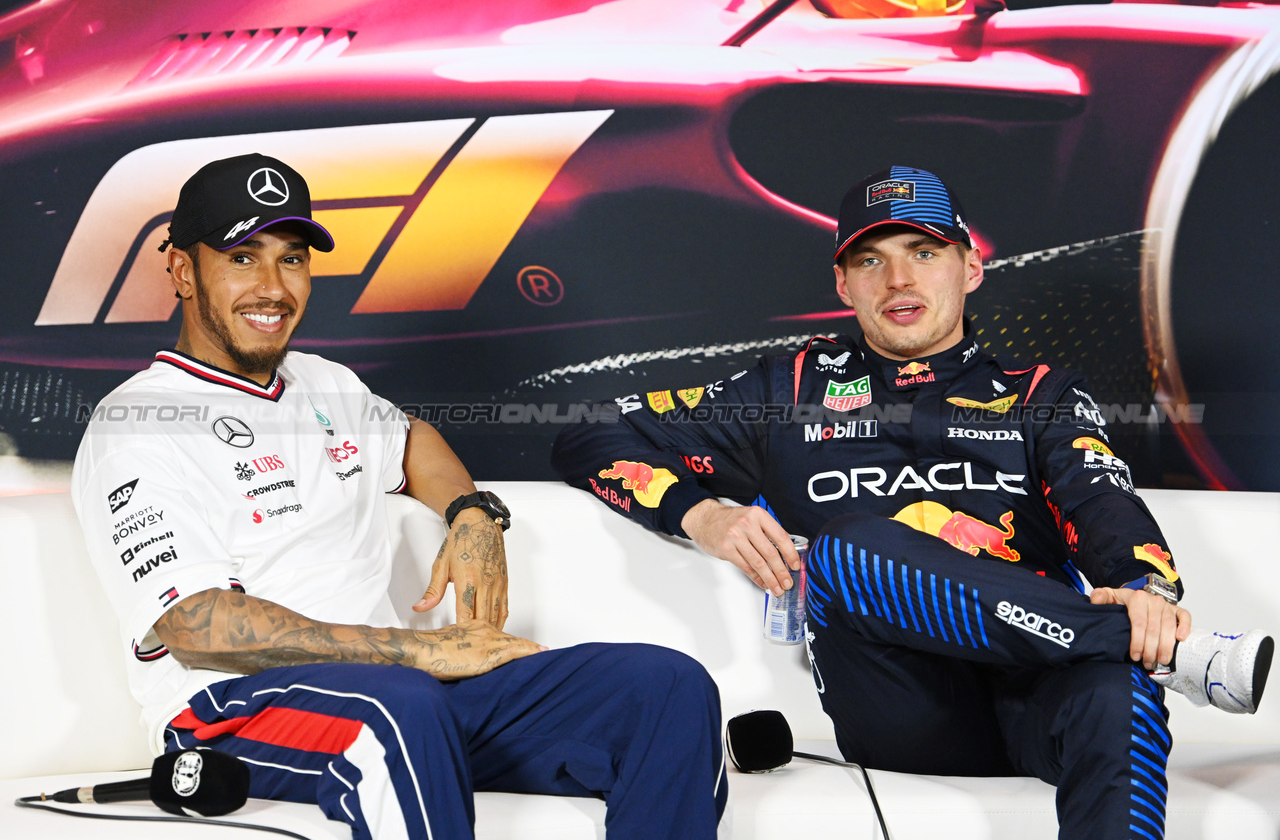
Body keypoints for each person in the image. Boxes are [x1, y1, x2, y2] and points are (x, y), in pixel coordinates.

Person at [552, 165, 1273, 840]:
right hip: (899, 705)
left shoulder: (1040, 393)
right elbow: (589, 432)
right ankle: (1179, 656)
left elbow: (1102, 501)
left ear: (972, 266)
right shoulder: (786, 389)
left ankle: (1139, 651)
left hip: (1040, 688)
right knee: (844, 550)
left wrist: (1147, 590)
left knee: (1123, 695)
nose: (898, 277)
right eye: (871, 259)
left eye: (924, 251)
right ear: (842, 283)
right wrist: (701, 513)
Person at [72, 154, 727, 840]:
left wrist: (473, 515)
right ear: (181, 268)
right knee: (400, 710)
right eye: (243, 257)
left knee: (665, 689)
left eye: (291, 260)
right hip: (228, 710)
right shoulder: (137, 424)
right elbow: (197, 627)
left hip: (400, 694)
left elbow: (414, 443)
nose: (272, 287)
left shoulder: (326, 384)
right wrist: (417, 651)